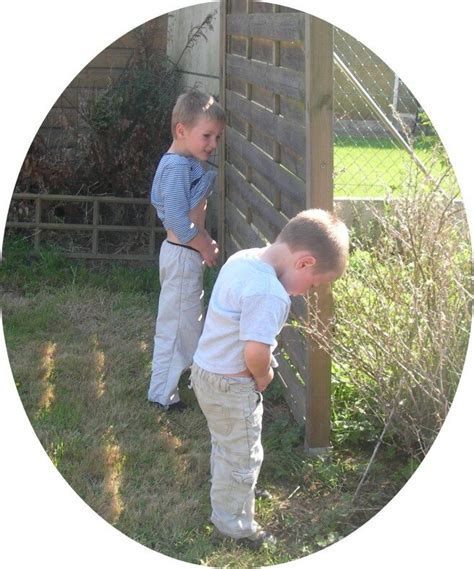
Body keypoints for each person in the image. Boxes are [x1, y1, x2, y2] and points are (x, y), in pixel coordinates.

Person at [190, 209, 349, 548]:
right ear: (304, 263)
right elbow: (255, 354)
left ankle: (232, 490)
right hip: (231, 386)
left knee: (227, 442)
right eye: (314, 284)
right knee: (244, 454)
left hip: (206, 372)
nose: (306, 293)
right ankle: (234, 525)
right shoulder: (270, 294)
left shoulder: (245, 259)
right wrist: (264, 374)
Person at [148, 90, 226, 411]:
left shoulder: (181, 163)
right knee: (177, 328)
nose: (213, 144)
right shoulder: (179, 166)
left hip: (183, 254)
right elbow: (179, 221)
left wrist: (203, 239)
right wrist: (203, 242)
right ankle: (161, 395)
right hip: (181, 254)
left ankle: (186, 384)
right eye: (207, 135)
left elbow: (184, 215)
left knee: (188, 324)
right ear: (182, 130)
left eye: (217, 137)